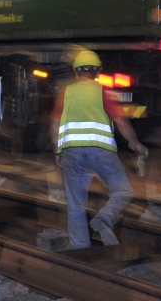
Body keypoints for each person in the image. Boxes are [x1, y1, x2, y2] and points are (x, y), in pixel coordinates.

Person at [49, 49, 147, 249]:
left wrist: (58, 150)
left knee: (76, 205)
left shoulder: (65, 93)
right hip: (100, 152)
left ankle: (80, 249)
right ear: (97, 72)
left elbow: (54, 125)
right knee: (123, 190)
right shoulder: (102, 91)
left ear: (76, 72)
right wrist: (137, 146)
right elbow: (122, 123)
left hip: (71, 153)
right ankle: (104, 218)